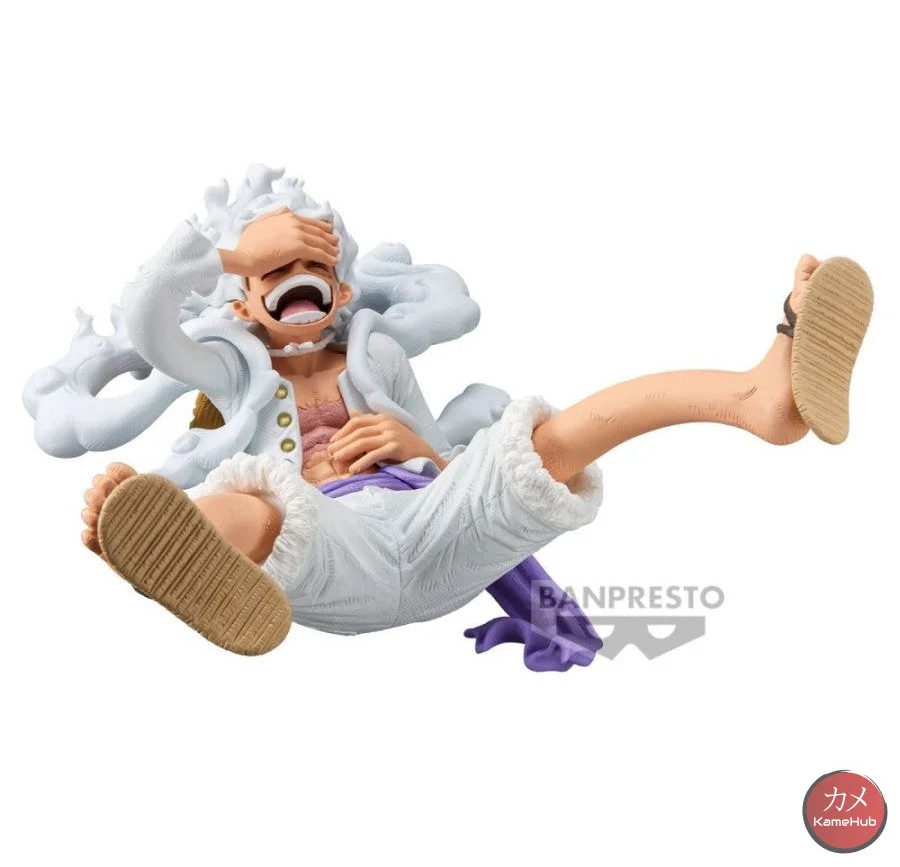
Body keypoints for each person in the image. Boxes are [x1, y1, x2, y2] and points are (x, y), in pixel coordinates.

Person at [25, 166, 873, 662]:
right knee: (258, 504)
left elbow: (441, 466)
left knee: (540, 446)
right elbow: (148, 313)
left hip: (436, 531)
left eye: (312, 265)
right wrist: (235, 251)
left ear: (343, 291)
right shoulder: (229, 367)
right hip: (333, 553)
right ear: (240, 301)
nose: (295, 279)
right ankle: (174, 550)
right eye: (272, 270)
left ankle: (760, 396)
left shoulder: (377, 360)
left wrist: (414, 444)